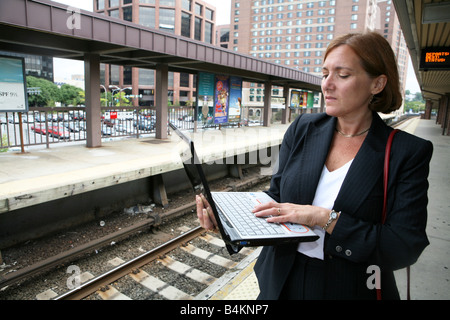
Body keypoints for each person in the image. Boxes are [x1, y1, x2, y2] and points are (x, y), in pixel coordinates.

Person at [196, 32, 433, 299]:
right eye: (324, 74)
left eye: (342, 75)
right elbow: (277, 198)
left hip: (350, 287)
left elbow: (404, 246)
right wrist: (229, 221)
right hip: (281, 280)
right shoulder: (303, 128)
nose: (327, 85)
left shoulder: (406, 152)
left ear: (377, 84)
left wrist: (323, 218)